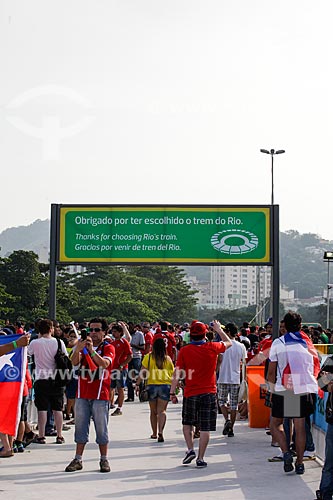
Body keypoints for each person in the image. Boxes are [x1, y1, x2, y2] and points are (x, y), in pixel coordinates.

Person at [170, 320, 232, 468]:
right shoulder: (212, 347)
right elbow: (228, 343)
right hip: (209, 391)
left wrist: (172, 392)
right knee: (205, 427)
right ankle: (201, 457)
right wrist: (218, 330)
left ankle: (190, 449)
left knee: (187, 423)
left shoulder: (185, 350)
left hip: (191, 392)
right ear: (205, 334)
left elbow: (177, 372)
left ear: (190, 334)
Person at [267, 311, 320, 475]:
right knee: (300, 428)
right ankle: (299, 463)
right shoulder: (307, 343)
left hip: (285, 387)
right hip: (303, 387)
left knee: (276, 424)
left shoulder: (278, 343)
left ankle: (286, 452)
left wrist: (270, 391)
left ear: (285, 327)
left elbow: (271, 372)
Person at [65, 318, 115, 473]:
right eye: (91, 330)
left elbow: (104, 364)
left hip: (100, 393)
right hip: (82, 392)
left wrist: (91, 350)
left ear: (104, 332)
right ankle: (78, 458)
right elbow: (74, 362)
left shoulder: (108, 347)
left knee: (101, 428)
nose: (93, 333)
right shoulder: (83, 346)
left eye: (97, 330)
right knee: (80, 427)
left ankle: (104, 459)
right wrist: (78, 349)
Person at [27, 319, 67, 445]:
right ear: (51, 329)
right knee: (58, 409)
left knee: (42, 409)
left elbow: (28, 354)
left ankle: (42, 436)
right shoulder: (59, 342)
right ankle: (59, 435)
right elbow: (65, 357)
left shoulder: (35, 343)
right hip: (57, 378)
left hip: (41, 378)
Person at [135, 338, 174, 442]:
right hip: (165, 385)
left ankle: (154, 433)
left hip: (151, 386)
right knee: (162, 411)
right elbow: (172, 374)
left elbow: (143, 372)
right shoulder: (168, 359)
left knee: (153, 412)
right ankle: (161, 431)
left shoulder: (148, 357)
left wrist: (137, 383)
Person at [217, 322, 247, 438]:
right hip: (235, 378)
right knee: (234, 405)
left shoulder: (222, 345)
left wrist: (215, 372)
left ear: (228, 332)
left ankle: (226, 419)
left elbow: (219, 361)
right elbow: (243, 363)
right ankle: (231, 428)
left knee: (222, 401)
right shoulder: (241, 346)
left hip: (223, 377)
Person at [110, 323, 132, 416]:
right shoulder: (112, 343)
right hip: (112, 368)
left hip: (121, 369)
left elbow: (130, 356)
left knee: (120, 388)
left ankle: (119, 408)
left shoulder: (124, 342)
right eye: (112, 331)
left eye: (115, 332)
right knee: (110, 387)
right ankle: (109, 404)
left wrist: (122, 365)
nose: (113, 333)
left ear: (120, 333)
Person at [126, 326, 145, 402]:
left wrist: (133, 345)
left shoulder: (139, 334)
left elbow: (143, 347)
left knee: (139, 376)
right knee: (129, 377)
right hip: (128, 357)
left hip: (137, 356)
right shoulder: (126, 335)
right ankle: (130, 396)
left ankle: (142, 395)